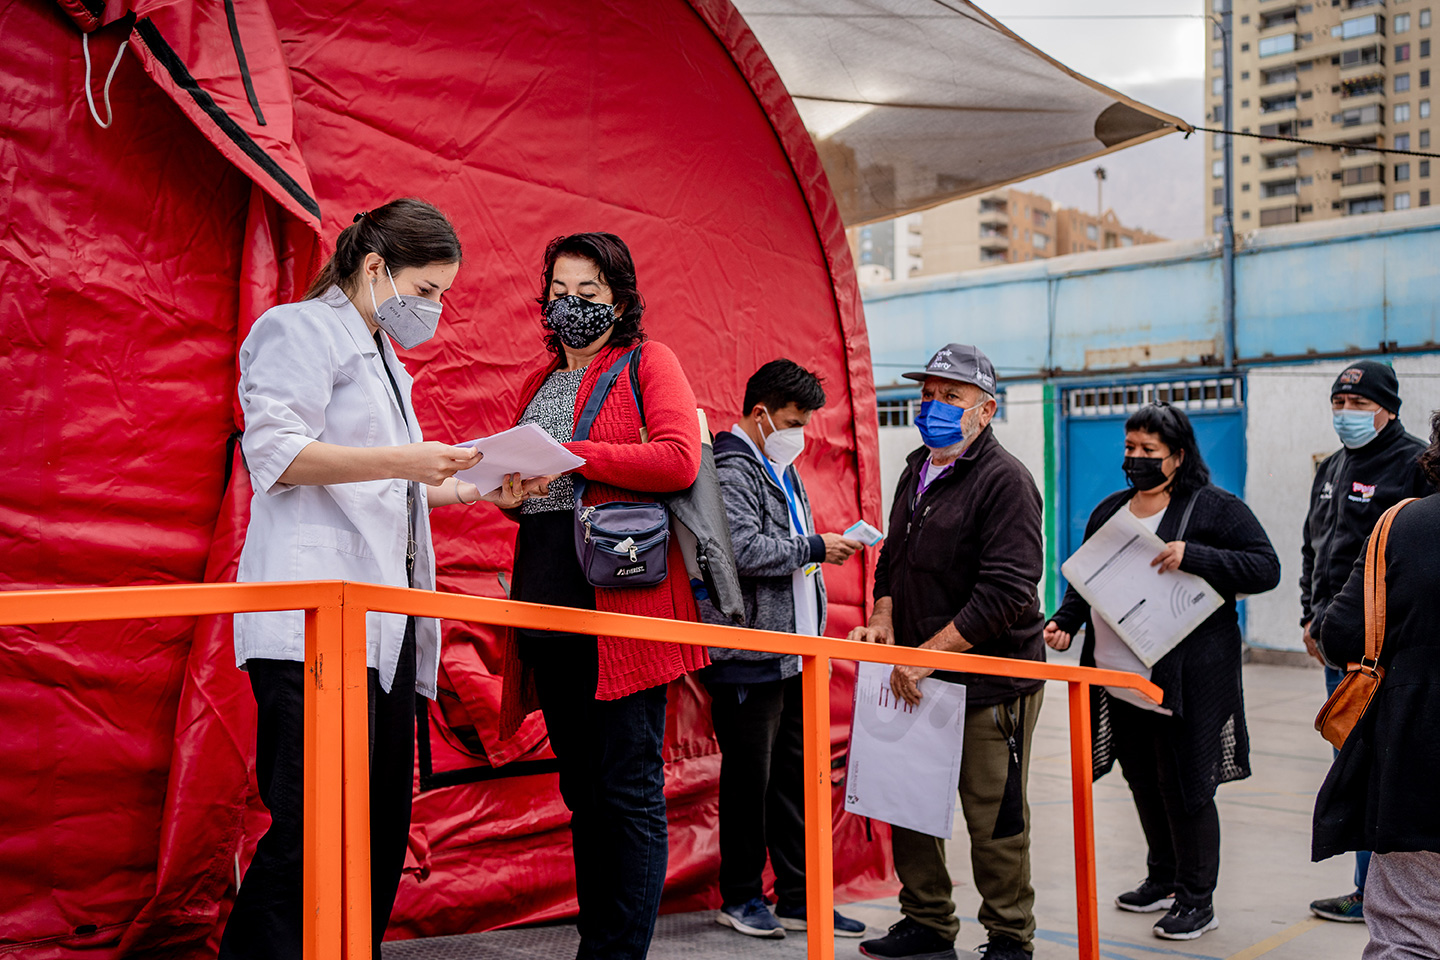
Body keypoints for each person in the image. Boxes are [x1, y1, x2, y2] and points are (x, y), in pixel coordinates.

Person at [224, 199, 544, 960]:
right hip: (313, 632)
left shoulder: (383, 359)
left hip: (382, 630)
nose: (434, 310)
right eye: (427, 290)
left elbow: (382, 487)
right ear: (375, 269)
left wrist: (474, 486)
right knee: (310, 828)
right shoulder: (296, 330)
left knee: (375, 826)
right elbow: (277, 455)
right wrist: (408, 459)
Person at [495, 232, 708, 960]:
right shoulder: (537, 382)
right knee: (584, 794)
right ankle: (598, 942)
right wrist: (512, 493)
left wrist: (576, 457)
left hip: (622, 608)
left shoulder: (649, 362)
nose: (570, 306)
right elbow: (531, 500)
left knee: (628, 792)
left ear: (620, 299)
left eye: (587, 294)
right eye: (559, 291)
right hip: (547, 602)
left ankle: (620, 952)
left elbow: (680, 460)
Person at [1044, 403, 1280, 942]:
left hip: (1184, 677)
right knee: (1144, 782)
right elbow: (1089, 578)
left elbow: (1266, 567)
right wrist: (1064, 620)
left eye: (1149, 452)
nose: (1136, 460)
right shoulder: (1110, 510)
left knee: (1186, 786)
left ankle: (1199, 901)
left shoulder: (1214, 508)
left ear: (1178, 455)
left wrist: (1194, 555)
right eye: (1130, 449)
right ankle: (1164, 877)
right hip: (1119, 679)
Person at [849, 344, 1046, 960]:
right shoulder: (917, 468)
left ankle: (1010, 938)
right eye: (927, 394)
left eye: (950, 397)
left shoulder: (1005, 481)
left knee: (993, 819)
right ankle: (927, 923)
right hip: (916, 672)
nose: (932, 406)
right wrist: (883, 615)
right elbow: (894, 558)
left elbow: (1007, 593)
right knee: (908, 800)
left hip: (988, 680)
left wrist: (929, 654)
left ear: (985, 411)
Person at [696, 359, 866, 940]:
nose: (801, 433)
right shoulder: (730, 466)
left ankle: (799, 895)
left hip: (792, 653)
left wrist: (814, 550)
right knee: (749, 781)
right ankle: (741, 895)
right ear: (760, 412)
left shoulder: (778, 464)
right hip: (748, 653)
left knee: (792, 778)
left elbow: (784, 546)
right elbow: (741, 549)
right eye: (793, 420)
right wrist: (817, 546)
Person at [1299, 361, 1430, 924]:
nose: (1345, 415)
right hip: (1340, 648)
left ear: (1389, 408)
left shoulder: (1415, 464)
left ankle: (1386, 891)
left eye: (1358, 405)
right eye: (1338, 403)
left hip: (1392, 653)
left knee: (1392, 772)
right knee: (1355, 766)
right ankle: (1364, 886)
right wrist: (1312, 618)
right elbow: (1315, 549)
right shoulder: (1331, 467)